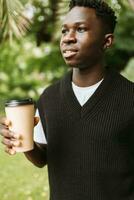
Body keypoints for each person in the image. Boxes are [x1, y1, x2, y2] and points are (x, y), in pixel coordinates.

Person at [1, 0, 134, 199]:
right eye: (64, 31)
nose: (68, 38)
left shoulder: (129, 96)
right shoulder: (49, 97)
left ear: (107, 41)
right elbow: (41, 158)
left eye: (80, 29)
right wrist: (22, 139)